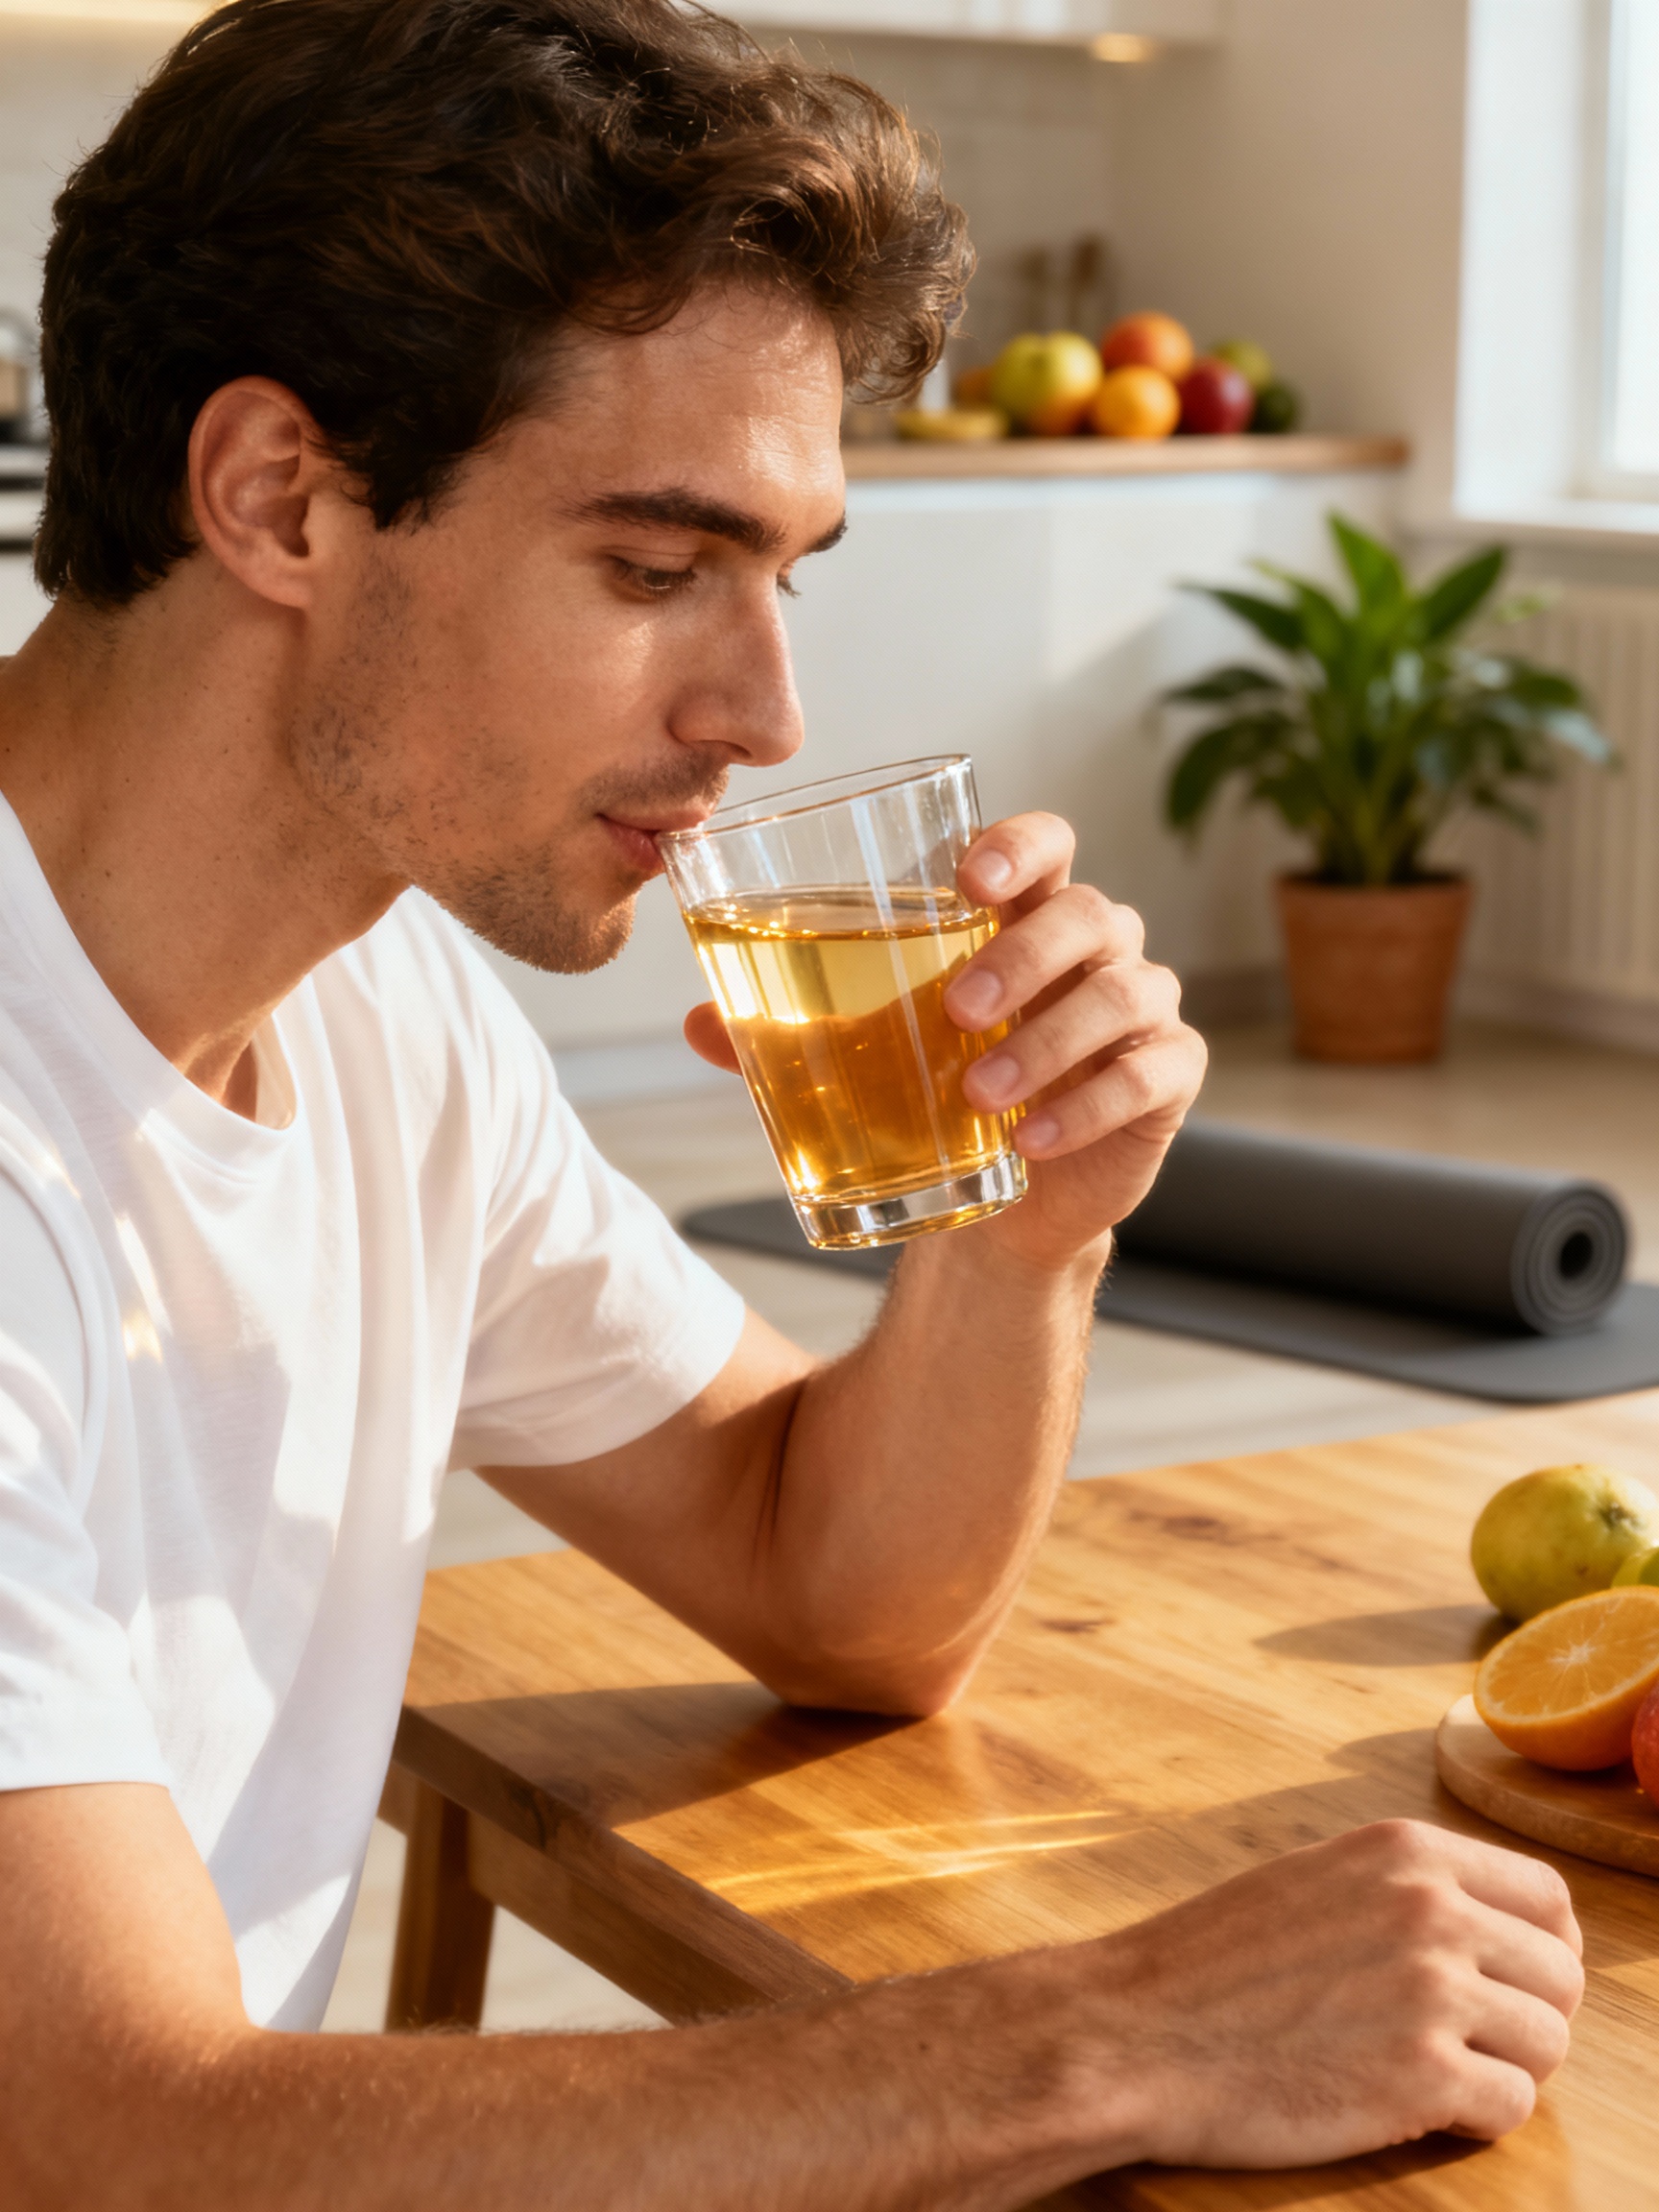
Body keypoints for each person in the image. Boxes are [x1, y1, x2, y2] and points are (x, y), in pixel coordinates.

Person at [0, 1, 1583, 2203]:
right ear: (278, 495)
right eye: (656, 571)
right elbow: (100, 2136)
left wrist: (1019, 1237)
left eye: (784, 574)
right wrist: (1102, 2036)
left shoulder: (384, 1019)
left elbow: (839, 1592)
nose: (765, 709)